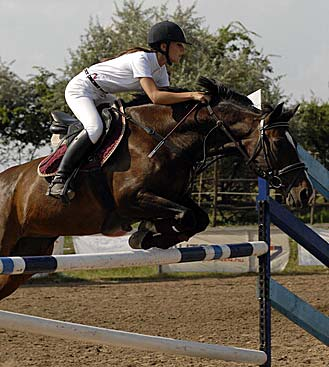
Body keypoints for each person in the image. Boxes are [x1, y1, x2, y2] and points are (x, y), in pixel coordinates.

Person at [47, 20, 208, 200]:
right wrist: (192, 95)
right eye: (179, 45)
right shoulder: (142, 59)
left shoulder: (161, 71)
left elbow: (162, 103)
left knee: (123, 123)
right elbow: (155, 96)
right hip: (81, 89)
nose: (182, 50)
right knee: (95, 128)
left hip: (104, 94)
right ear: (164, 46)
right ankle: (60, 178)